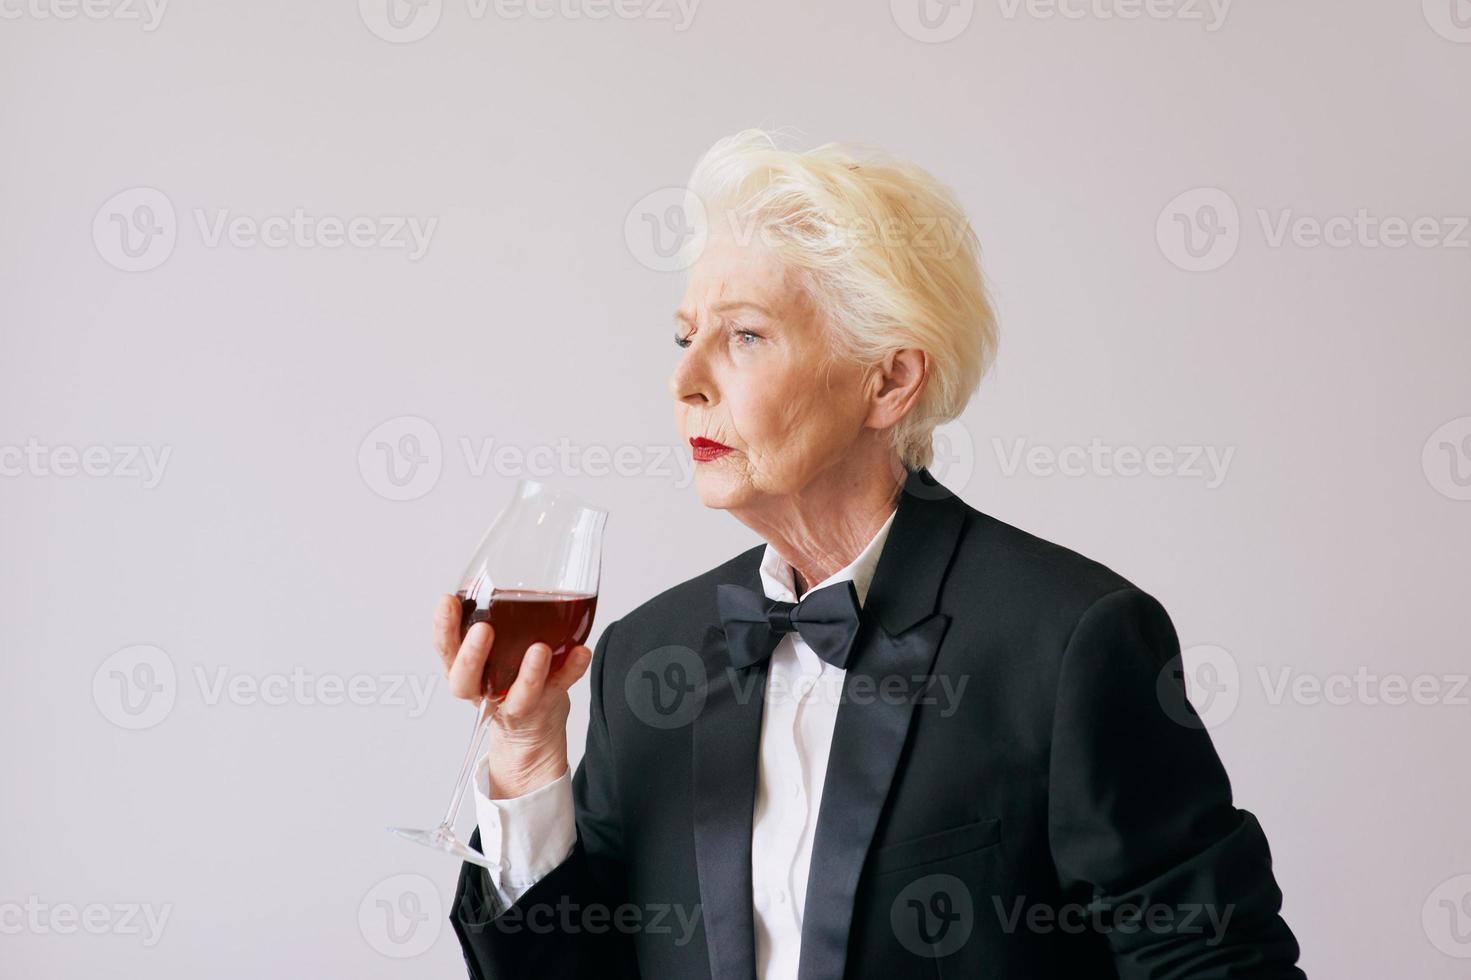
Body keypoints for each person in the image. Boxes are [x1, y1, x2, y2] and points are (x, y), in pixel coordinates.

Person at [434, 129, 1305, 979]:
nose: (684, 379)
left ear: (888, 381)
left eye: (744, 336)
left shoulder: (1073, 641)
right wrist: (524, 757)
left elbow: (1215, 963)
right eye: (683, 335)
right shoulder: (645, 653)